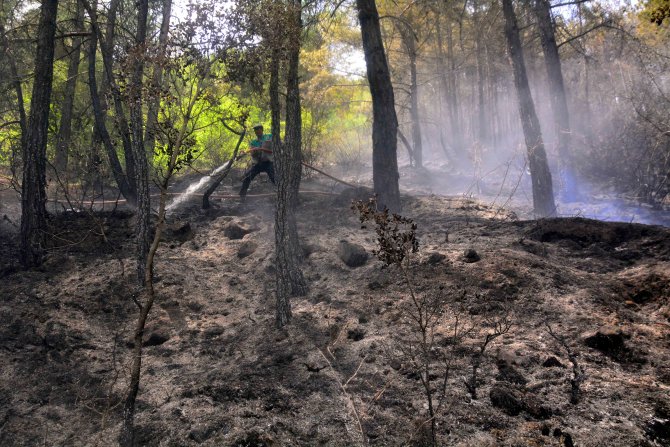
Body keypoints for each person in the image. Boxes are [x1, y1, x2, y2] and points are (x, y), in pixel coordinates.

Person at [239, 124, 276, 200]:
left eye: (259, 131)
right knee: (247, 177)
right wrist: (250, 152)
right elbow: (252, 153)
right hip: (258, 163)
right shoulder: (253, 142)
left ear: (262, 130)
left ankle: (283, 192)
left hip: (269, 162)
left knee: (274, 177)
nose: (257, 133)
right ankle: (242, 196)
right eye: (256, 132)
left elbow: (277, 144)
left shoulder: (269, 136)